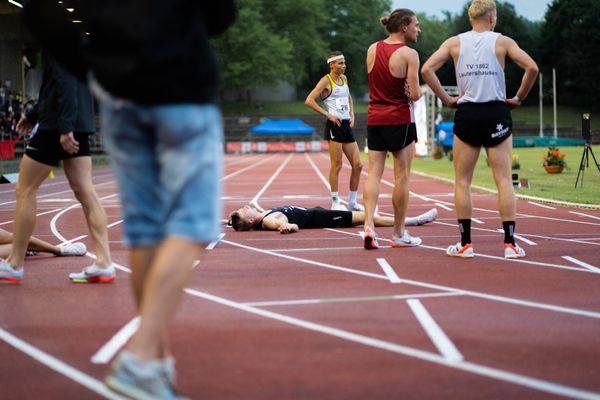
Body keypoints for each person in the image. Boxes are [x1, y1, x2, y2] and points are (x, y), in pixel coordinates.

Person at [22, 1, 236, 397]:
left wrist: (89, 64)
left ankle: (154, 366)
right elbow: (221, 13)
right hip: (182, 87)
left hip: (120, 95)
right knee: (193, 226)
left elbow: (40, 9)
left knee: (145, 231)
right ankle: (140, 359)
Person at [421, 0, 538, 259]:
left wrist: (445, 98)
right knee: (504, 180)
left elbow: (426, 69)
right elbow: (532, 67)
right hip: (496, 111)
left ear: (471, 17)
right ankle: (510, 244)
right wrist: (518, 98)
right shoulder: (503, 41)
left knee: (462, 181)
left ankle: (465, 244)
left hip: (468, 112)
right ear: (492, 17)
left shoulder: (454, 42)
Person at [0, 52, 115, 284]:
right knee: (86, 191)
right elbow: (57, 86)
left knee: (24, 189)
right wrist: (33, 114)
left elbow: (65, 83)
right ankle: (104, 262)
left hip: (57, 127)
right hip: (78, 123)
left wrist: (64, 127)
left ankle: (14, 263)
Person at [363, 8, 423, 250]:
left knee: (374, 174)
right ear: (404, 27)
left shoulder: (372, 48)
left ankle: (368, 225)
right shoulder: (409, 54)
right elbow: (416, 94)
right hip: (399, 119)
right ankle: (398, 234)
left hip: (374, 118)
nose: (418, 30)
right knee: (402, 177)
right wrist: (408, 92)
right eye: (416, 25)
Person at [305, 51, 364, 211]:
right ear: (331, 64)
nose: (344, 66)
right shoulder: (326, 80)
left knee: (358, 165)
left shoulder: (344, 79)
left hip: (346, 125)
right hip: (334, 126)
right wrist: (327, 114)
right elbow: (309, 100)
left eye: (344, 63)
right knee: (337, 165)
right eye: (340, 63)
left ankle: (352, 203)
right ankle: (335, 201)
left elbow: (348, 96)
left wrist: (352, 113)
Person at [228, 204, 437, 234]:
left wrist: (227, 222)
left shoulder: (262, 215)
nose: (246, 206)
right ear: (252, 221)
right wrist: (287, 226)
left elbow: (234, 222)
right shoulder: (268, 220)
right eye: (244, 210)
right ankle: (414, 221)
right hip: (322, 218)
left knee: (367, 215)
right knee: (370, 218)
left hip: (320, 213)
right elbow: (283, 224)